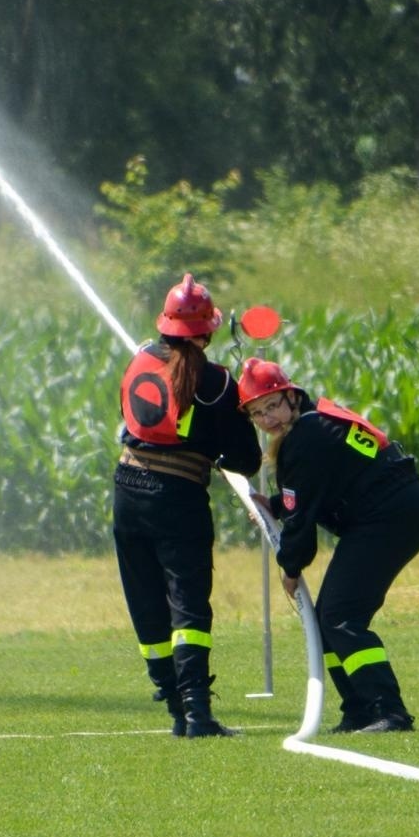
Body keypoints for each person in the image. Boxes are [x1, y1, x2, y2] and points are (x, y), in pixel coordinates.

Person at [237, 358, 419, 733]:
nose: (269, 420)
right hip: (394, 511)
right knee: (329, 616)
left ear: (291, 396)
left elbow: (302, 522)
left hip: (388, 518)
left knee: (341, 616)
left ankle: (388, 712)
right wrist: (274, 506)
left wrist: (289, 568)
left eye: (273, 405)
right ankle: (358, 710)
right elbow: (318, 492)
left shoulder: (305, 439)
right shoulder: (313, 424)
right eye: (258, 414)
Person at [113, 274, 262, 738]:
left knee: (147, 604)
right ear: (208, 329)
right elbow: (247, 459)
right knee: (189, 605)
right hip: (177, 498)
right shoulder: (215, 380)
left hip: (126, 492)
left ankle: (175, 707)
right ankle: (198, 713)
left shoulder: (140, 360)